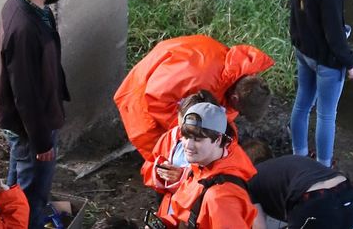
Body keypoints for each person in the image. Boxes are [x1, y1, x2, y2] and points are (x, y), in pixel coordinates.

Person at [0, 0, 70, 229]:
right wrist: (41, 141)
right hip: (29, 126)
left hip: (19, 120)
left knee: (17, 185)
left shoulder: (20, 1)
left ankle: (8, 219)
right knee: (32, 196)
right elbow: (25, 93)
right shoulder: (24, 30)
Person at [114, 34, 274, 160]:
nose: (239, 114)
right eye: (243, 112)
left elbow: (223, 110)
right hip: (142, 95)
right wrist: (190, 129)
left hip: (172, 80)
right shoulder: (200, 79)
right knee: (166, 154)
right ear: (235, 99)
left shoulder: (238, 76)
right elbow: (156, 101)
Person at [289, 0, 353, 167]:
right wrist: (351, 64)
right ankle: (322, 167)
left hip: (303, 51)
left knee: (302, 103)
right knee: (326, 115)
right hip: (325, 61)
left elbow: (296, 14)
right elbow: (334, 34)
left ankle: (298, 156)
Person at [159, 102, 258, 228]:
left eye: (197, 139)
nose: (188, 145)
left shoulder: (222, 198)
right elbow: (187, 212)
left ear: (218, 139)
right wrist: (167, 223)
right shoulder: (202, 167)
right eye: (185, 136)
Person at [247, 154, 353, 229]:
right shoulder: (278, 167)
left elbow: (259, 227)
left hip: (317, 204)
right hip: (350, 198)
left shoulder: (246, 182)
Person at [141, 91, 220, 196]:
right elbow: (148, 167)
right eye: (183, 132)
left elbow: (213, 189)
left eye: (195, 137)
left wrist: (183, 177)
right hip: (169, 208)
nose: (186, 143)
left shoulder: (223, 149)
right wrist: (159, 172)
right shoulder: (170, 137)